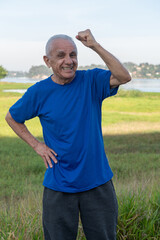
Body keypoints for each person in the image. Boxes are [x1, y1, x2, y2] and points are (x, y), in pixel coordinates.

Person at [5, 29, 131, 240]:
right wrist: (38, 145)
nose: (69, 61)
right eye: (61, 55)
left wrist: (95, 46)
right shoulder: (39, 92)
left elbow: (123, 76)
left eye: (73, 55)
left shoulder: (91, 81)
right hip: (58, 185)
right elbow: (12, 117)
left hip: (97, 183)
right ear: (47, 60)